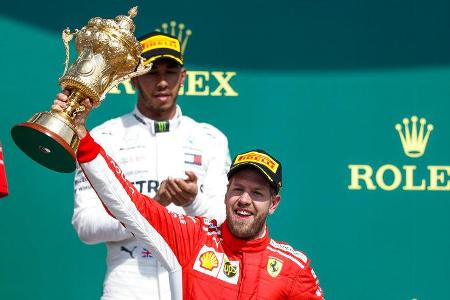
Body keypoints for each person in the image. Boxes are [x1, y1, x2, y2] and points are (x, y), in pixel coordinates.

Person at [64, 32, 231, 299]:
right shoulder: (104, 137)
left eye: (171, 71)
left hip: (196, 284)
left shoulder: (210, 139)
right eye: (152, 72)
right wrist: (150, 207)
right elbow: (85, 226)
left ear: (183, 77)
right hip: (127, 286)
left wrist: (193, 201)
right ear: (134, 79)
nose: (163, 82)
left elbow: (226, 222)